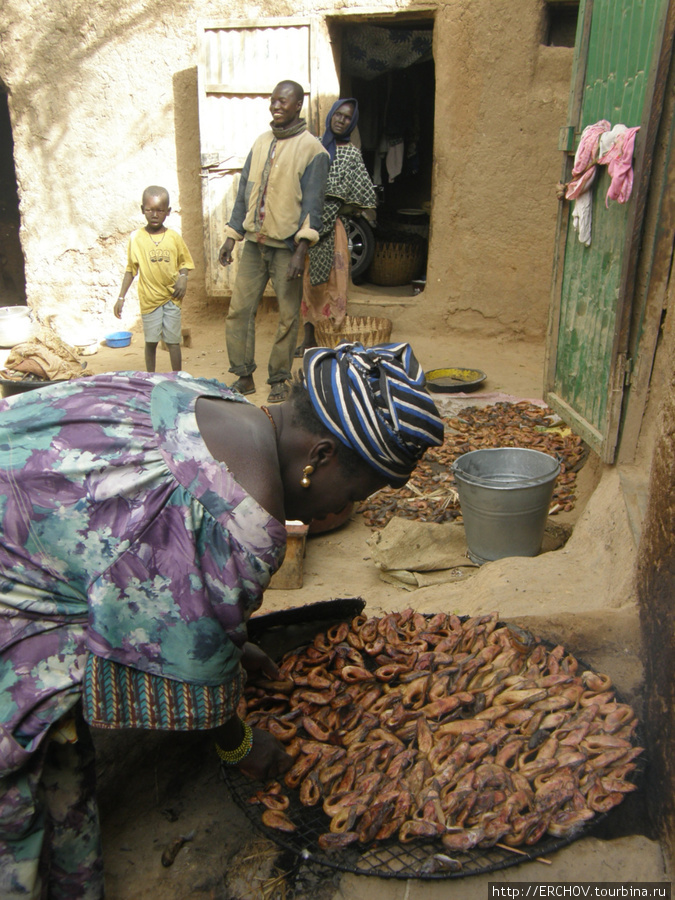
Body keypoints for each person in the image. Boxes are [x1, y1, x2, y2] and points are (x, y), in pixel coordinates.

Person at [0, 341, 444, 899]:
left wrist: (228, 643)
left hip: (28, 544)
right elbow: (187, 668)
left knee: (61, 769)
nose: (338, 514)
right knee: (12, 809)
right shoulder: (244, 520)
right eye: (353, 494)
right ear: (321, 456)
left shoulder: (214, 398)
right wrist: (238, 743)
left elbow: (165, 584)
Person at [219, 80, 330, 404]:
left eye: (283, 101)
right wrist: (231, 236)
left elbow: (313, 206)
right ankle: (243, 374)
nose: (276, 106)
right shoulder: (260, 142)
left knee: (287, 316)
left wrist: (301, 251)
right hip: (254, 243)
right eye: (273, 101)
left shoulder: (313, 150)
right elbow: (244, 192)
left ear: (298, 106)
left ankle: (279, 378)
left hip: (287, 250)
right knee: (239, 310)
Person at [295, 98, 377, 356]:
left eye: (347, 117)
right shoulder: (316, 146)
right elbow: (300, 182)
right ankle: (309, 337)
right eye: (338, 114)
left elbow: (363, 195)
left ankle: (333, 336)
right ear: (331, 115)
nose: (341, 120)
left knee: (335, 282)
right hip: (310, 225)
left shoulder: (352, 153)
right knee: (309, 282)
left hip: (336, 227)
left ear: (352, 123)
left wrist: (336, 208)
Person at [114, 186, 194, 373]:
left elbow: (184, 262)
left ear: (168, 211)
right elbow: (130, 270)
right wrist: (120, 297)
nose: (155, 214)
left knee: (173, 342)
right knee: (150, 341)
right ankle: (150, 377)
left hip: (172, 297)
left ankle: (177, 377)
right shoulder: (136, 238)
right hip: (149, 298)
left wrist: (183, 278)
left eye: (160, 210)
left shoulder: (174, 237)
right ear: (143, 210)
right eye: (150, 210)